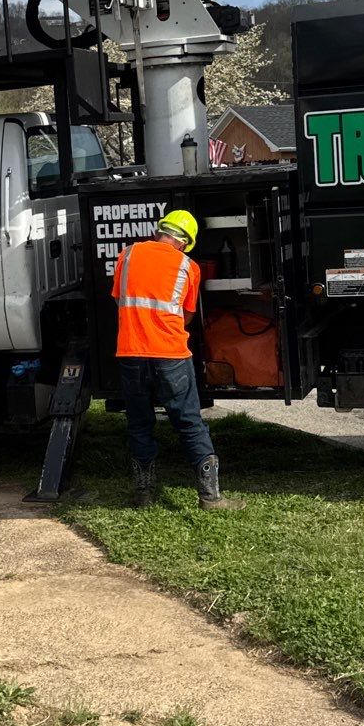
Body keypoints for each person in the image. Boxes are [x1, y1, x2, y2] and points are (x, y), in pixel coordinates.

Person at [111, 209, 233, 510]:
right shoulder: (188, 267)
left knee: (139, 424)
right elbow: (188, 315)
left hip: (131, 353)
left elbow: (118, 299)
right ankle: (210, 497)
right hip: (171, 354)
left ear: (160, 230)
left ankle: (144, 495)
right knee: (189, 422)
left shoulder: (127, 256)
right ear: (186, 242)